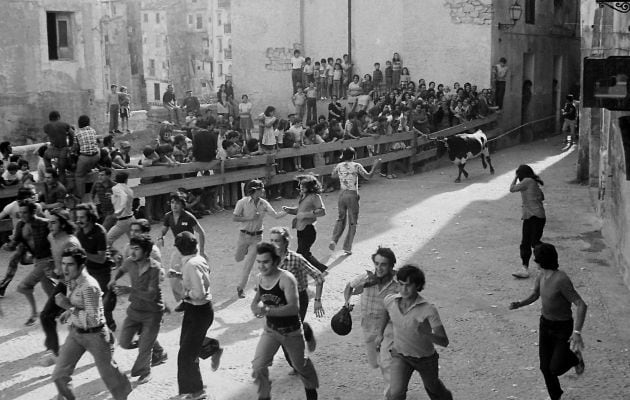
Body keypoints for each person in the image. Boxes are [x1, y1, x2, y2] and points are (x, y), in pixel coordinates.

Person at [509, 242, 587, 400]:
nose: (534, 261)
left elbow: (581, 304)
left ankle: (575, 358)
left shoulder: (561, 279)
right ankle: (556, 396)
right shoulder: (541, 275)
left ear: (541, 261)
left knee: (555, 368)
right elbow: (535, 295)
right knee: (545, 368)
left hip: (562, 328)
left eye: (536, 258)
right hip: (545, 325)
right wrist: (519, 304)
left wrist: (577, 332)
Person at [51, 247, 132, 400]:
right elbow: (79, 305)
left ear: (81, 266)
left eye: (70, 265)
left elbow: (92, 320)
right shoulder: (72, 281)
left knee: (111, 377)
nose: (65, 269)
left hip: (96, 335)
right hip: (76, 333)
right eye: (63, 263)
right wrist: (68, 312)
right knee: (59, 375)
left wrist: (67, 306)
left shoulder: (90, 286)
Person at [250, 242, 319, 400]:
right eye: (259, 262)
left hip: (291, 331)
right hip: (271, 330)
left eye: (265, 262)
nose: (261, 266)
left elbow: (294, 308)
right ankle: (264, 396)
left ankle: (311, 392)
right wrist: (256, 308)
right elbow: (256, 302)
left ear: (275, 261)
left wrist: (267, 310)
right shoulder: (259, 278)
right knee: (258, 366)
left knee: (299, 365)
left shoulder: (286, 279)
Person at [376, 264, 453, 400]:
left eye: (409, 285)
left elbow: (444, 341)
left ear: (417, 286)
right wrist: (380, 333)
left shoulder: (428, 310)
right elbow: (385, 312)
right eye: (401, 284)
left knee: (433, 389)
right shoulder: (391, 301)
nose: (404, 289)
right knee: (396, 394)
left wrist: (426, 333)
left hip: (425, 359)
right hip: (400, 355)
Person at [171, 231, 222, 400]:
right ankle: (212, 347)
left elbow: (198, 293)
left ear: (179, 250)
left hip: (198, 310)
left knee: (186, 354)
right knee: (186, 345)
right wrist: (179, 276)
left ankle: (194, 391)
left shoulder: (190, 265)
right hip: (198, 310)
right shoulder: (197, 260)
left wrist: (186, 294)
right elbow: (200, 279)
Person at [343, 246, 399, 396]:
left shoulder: (398, 284)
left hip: (388, 327)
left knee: (386, 363)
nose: (379, 268)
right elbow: (349, 286)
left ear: (391, 265)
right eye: (377, 264)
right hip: (368, 326)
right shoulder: (366, 278)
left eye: (384, 264)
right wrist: (346, 303)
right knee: (375, 363)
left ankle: (392, 394)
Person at [110, 234, 165, 384]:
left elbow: (151, 295)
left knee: (145, 347)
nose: (132, 252)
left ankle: (145, 372)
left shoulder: (155, 268)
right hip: (134, 311)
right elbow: (122, 269)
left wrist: (129, 290)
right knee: (124, 342)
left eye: (136, 249)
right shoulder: (129, 262)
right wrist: (114, 279)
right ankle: (155, 348)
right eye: (131, 248)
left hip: (153, 313)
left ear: (146, 251)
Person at [269, 226, 325, 361]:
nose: (273, 244)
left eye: (277, 241)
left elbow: (318, 277)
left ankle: (298, 360)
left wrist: (317, 300)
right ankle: (296, 360)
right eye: (271, 240)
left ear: (285, 242)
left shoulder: (296, 259)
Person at [39, 208, 81, 366]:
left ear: (63, 224)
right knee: (47, 316)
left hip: (76, 284)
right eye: (48, 222)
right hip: (63, 283)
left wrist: (57, 274)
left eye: (53, 222)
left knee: (83, 320)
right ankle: (54, 352)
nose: (49, 226)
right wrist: (53, 268)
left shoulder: (71, 242)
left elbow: (78, 268)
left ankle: (107, 343)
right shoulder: (51, 237)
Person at [233, 179, 287, 298]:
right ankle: (245, 251)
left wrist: (288, 211)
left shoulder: (264, 203)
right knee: (238, 258)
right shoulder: (242, 202)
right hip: (243, 235)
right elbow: (235, 218)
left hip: (257, 237)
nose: (263, 190)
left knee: (248, 264)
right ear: (254, 190)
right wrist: (249, 218)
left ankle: (240, 288)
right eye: (260, 188)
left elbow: (276, 216)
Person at [329, 148, 382, 255]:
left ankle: (334, 240)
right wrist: (375, 166)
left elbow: (333, 175)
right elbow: (368, 176)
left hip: (342, 194)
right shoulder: (357, 166)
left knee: (340, 219)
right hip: (352, 194)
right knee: (353, 222)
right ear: (354, 156)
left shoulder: (339, 166)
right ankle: (347, 247)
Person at [158, 192, 207, 307]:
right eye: (172, 203)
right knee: (173, 277)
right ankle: (183, 300)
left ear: (182, 205)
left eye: (177, 203)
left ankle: (195, 296)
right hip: (178, 248)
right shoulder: (168, 216)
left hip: (191, 249)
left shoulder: (189, 217)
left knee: (191, 274)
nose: (174, 205)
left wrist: (202, 251)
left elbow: (201, 232)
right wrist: (161, 237)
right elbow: (163, 230)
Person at [75, 203, 117, 331]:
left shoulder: (100, 232)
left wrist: (82, 253)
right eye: (78, 217)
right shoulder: (79, 233)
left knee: (104, 298)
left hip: (101, 271)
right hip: (87, 271)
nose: (79, 220)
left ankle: (109, 321)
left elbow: (101, 258)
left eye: (82, 217)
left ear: (90, 217)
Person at [14, 199, 55, 325]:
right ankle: (60, 310)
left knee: (23, 286)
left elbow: (60, 238)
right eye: (20, 213)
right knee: (51, 291)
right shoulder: (20, 225)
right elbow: (15, 242)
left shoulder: (45, 224)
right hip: (37, 260)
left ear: (33, 212)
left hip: (48, 260)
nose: (22, 215)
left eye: (25, 212)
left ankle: (34, 313)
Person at [282, 175, 328, 272]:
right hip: (301, 229)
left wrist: (306, 215)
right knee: (303, 253)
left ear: (310, 187)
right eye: (300, 185)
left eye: (303, 186)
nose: (300, 188)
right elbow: (299, 211)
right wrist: (289, 210)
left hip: (308, 230)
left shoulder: (315, 197)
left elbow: (322, 211)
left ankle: (321, 270)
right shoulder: (303, 196)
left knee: (303, 253)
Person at [509, 164, 546, 279]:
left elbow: (512, 188)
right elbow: (542, 197)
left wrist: (515, 177)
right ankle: (533, 267)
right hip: (534, 216)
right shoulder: (533, 182)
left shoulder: (527, 181)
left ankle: (539, 265)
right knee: (529, 242)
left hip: (534, 216)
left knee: (531, 243)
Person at [73, 115, 100, 201]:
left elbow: (75, 148)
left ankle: (80, 197)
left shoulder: (77, 133)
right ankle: (95, 192)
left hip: (85, 158)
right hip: (96, 156)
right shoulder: (93, 131)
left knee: (79, 175)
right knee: (97, 150)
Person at [43, 110, 73, 184]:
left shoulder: (46, 126)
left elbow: (47, 135)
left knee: (45, 156)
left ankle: (50, 171)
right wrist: (70, 145)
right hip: (63, 149)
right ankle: (62, 190)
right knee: (61, 171)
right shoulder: (65, 124)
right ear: (58, 117)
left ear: (50, 118)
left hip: (53, 150)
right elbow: (72, 134)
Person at [107, 172, 135, 247]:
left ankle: (111, 256)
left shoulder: (115, 188)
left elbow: (123, 196)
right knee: (135, 242)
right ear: (126, 180)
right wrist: (113, 197)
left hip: (123, 221)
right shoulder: (129, 190)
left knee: (108, 239)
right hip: (131, 219)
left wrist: (119, 211)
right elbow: (123, 197)